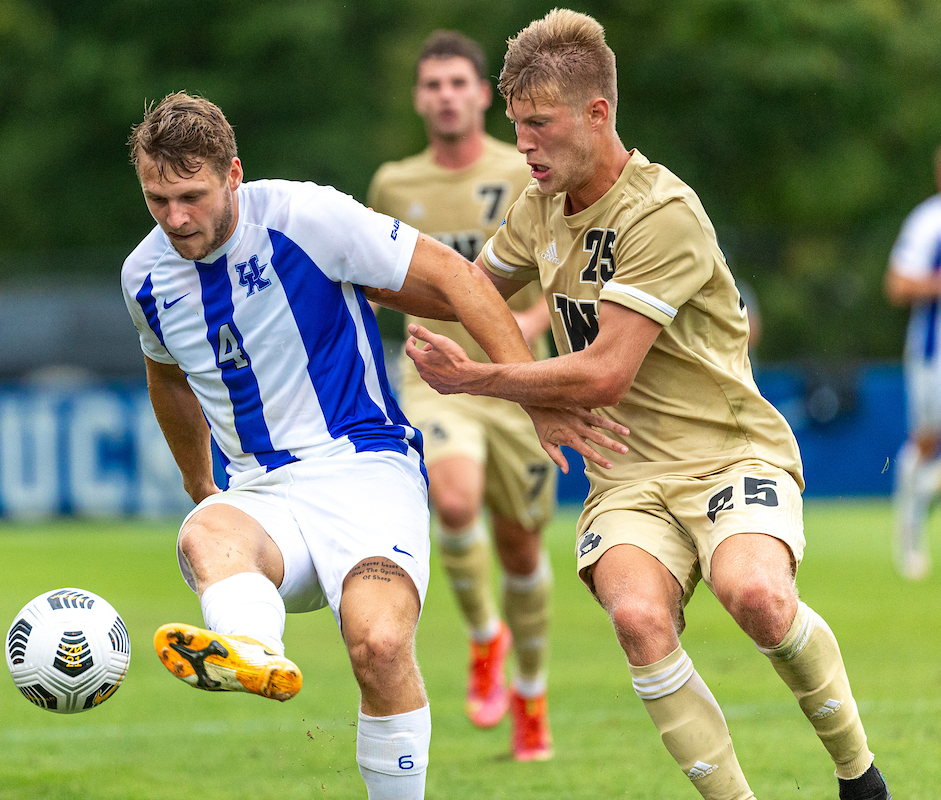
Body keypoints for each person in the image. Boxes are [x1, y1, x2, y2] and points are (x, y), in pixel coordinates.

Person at [373, 10, 891, 800]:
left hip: (728, 451)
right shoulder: (538, 203)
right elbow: (469, 288)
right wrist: (344, 274)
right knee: (638, 620)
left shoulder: (662, 214)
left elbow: (605, 374)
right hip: (626, 472)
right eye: (517, 126)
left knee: (757, 596)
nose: (526, 146)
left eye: (539, 126)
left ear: (598, 113)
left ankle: (861, 778)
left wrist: (483, 381)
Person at [120, 91, 624, 800]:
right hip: (263, 494)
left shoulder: (305, 217)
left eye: (191, 196)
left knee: (379, 646)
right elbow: (167, 377)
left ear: (233, 174)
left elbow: (456, 278)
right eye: (157, 199)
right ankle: (254, 652)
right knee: (206, 531)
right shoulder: (144, 278)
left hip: (366, 469)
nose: (175, 218)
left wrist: (534, 391)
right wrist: (200, 483)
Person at [367, 30, 557, 761]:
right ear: (419, 98)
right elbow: (380, 275)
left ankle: (531, 692)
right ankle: (484, 640)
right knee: (450, 499)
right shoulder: (393, 183)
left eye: (459, 83)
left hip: (517, 380)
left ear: (484, 96)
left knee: (519, 548)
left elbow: (555, 274)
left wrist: (522, 328)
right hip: (434, 374)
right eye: (433, 84)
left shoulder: (528, 171)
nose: (446, 95)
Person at [884, 143, 941, 581]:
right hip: (933, 355)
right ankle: (908, 542)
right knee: (925, 445)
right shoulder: (929, 221)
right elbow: (898, 284)